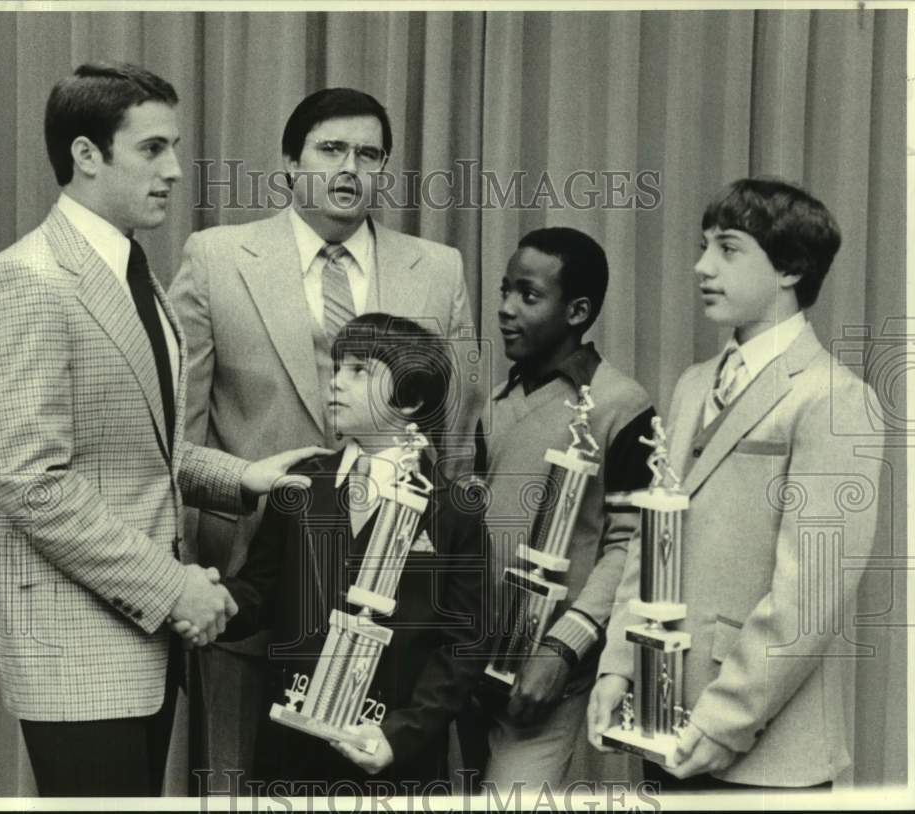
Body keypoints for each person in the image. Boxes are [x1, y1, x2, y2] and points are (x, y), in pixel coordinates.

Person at [0, 62, 325, 797]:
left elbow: (135, 446)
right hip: (78, 651)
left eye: (175, 148)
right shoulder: (27, 280)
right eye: (152, 149)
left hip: (141, 646)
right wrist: (172, 587)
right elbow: (33, 483)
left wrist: (238, 476)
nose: (175, 171)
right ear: (87, 155)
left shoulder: (134, 272)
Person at [168, 86, 484, 782]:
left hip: (402, 620)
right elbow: (174, 445)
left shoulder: (438, 269)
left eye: (369, 154)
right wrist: (208, 585)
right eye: (331, 149)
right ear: (289, 161)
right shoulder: (217, 259)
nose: (351, 168)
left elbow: (455, 436)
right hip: (256, 593)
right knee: (248, 777)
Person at [587, 178, 883, 791]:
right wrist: (618, 665)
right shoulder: (694, 383)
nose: (701, 266)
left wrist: (722, 723)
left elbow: (811, 597)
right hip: (660, 722)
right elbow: (652, 539)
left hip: (765, 755)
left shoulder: (833, 397)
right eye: (703, 247)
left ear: (791, 268)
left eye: (728, 249)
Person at [194, 313, 489, 793]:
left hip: (392, 760)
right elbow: (259, 590)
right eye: (336, 368)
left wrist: (399, 735)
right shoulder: (303, 485)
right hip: (290, 751)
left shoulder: (453, 511)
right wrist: (209, 602)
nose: (336, 382)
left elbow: (463, 645)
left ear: (411, 399)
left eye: (360, 371)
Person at [473, 227, 656, 789]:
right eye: (505, 291)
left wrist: (563, 647)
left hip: (547, 670)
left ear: (577, 311)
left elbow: (633, 545)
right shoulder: (496, 404)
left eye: (528, 296)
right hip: (469, 665)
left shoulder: (622, 405)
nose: (505, 308)